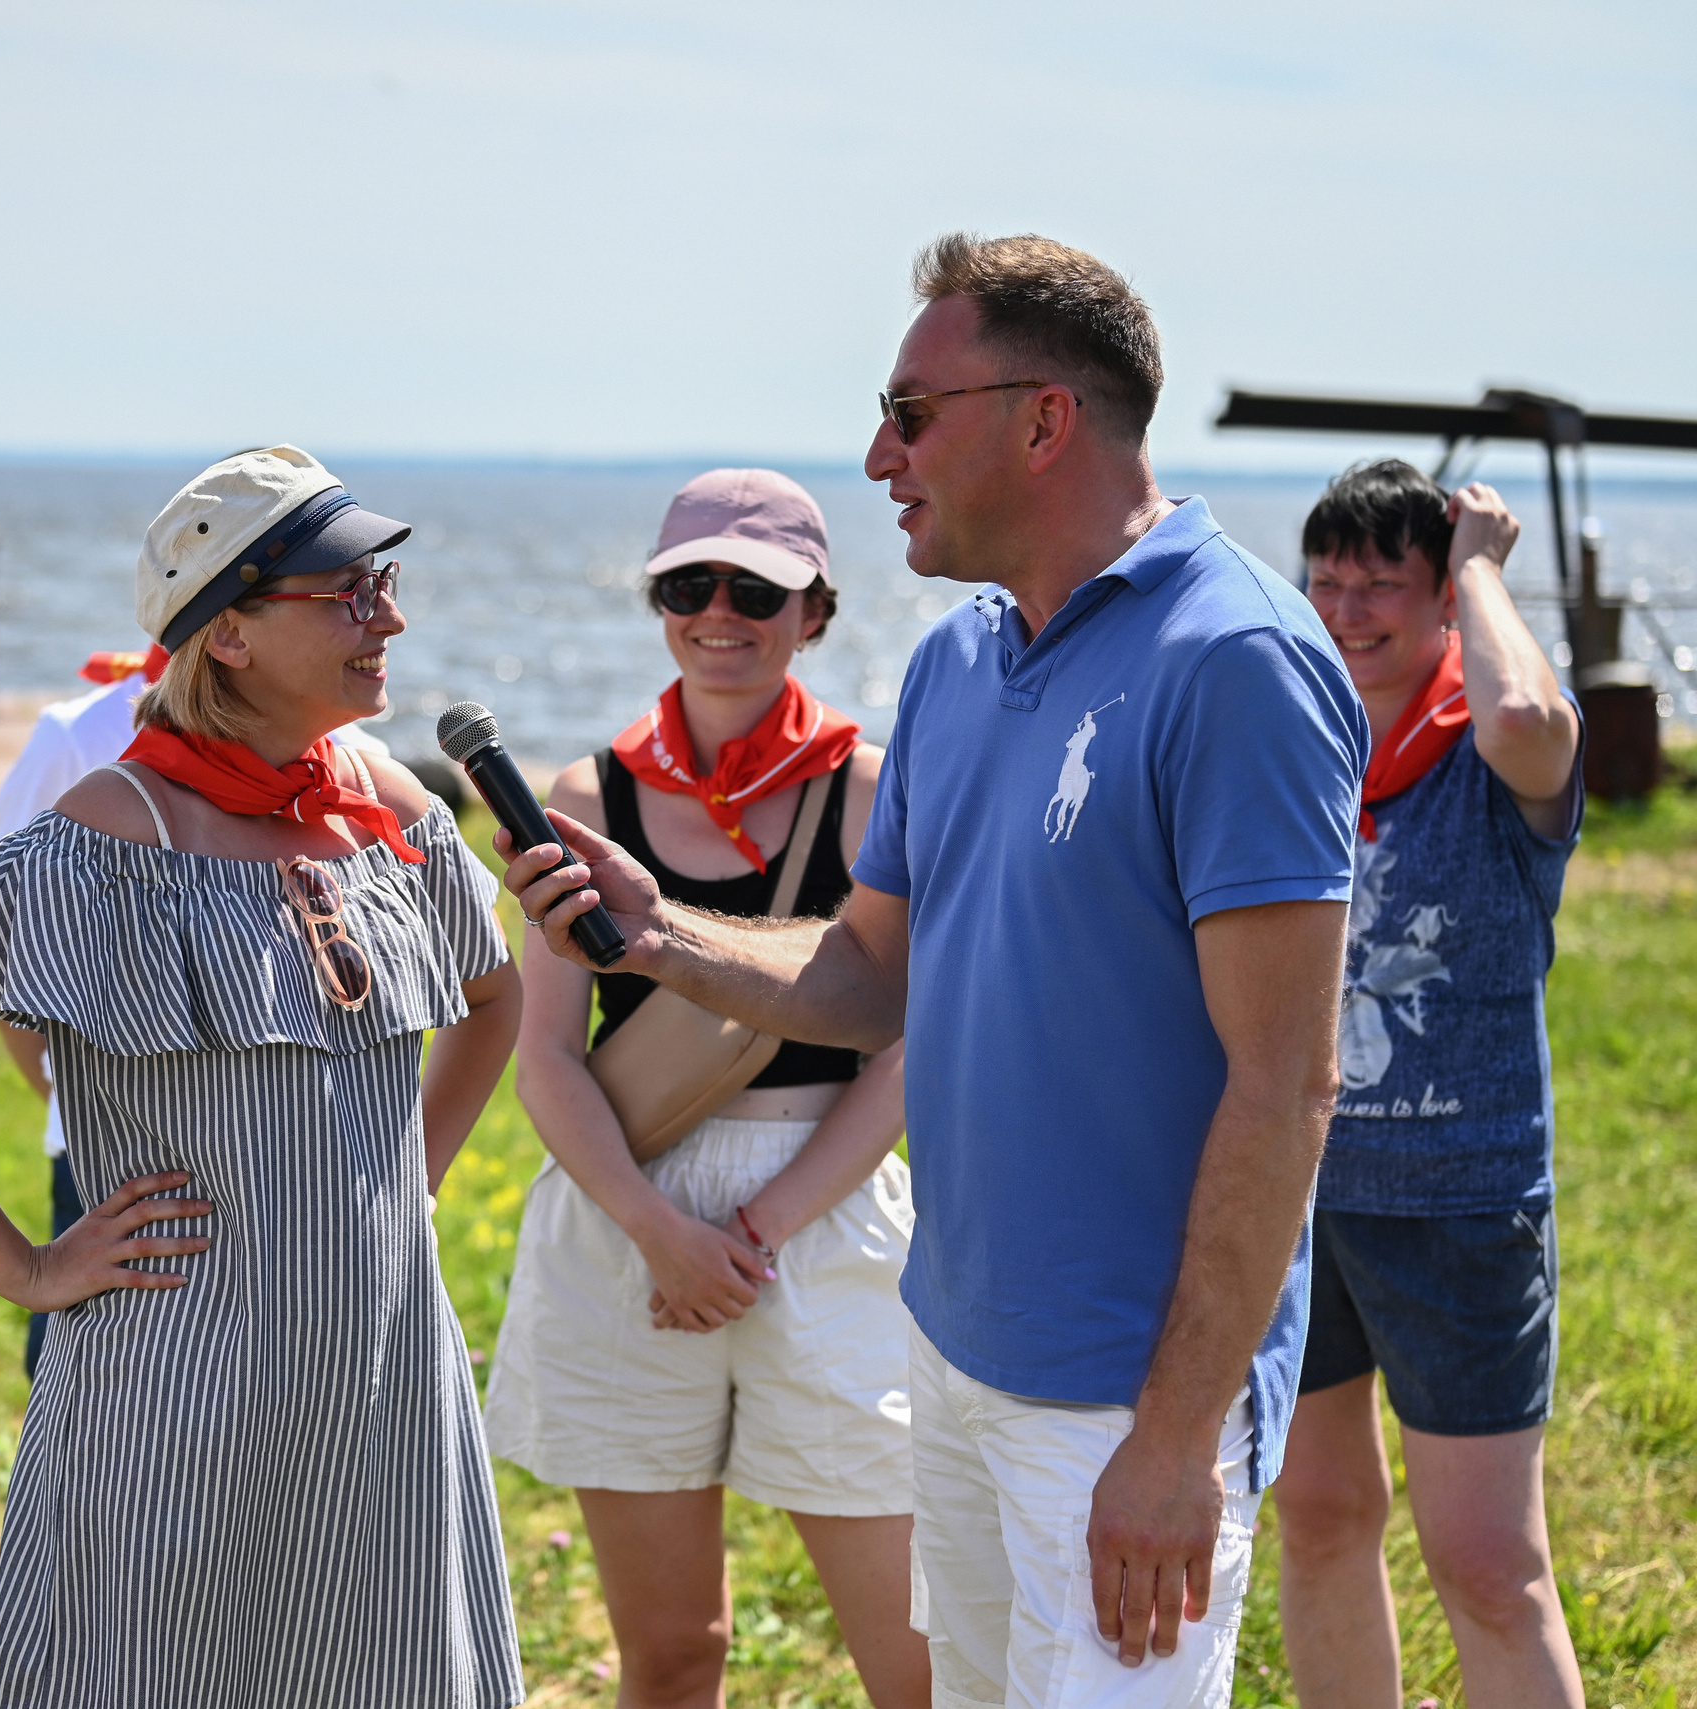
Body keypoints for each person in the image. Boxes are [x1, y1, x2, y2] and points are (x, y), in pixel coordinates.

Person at [500, 234, 1368, 1708]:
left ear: (1045, 422)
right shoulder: (960, 659)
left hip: (1118, 1401)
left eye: (912, 410)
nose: (878, 453)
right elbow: (866, 978)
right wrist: (660, 937)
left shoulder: (1236, 659)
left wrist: (1171, 1441)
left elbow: (1286, 1086)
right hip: (953, 1349)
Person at [0, 445, 526, 1706]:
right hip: (181, 1384)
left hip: (382, 1373)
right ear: (232, 631)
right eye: (349, 590)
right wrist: (26, 1270)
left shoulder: (393, 804)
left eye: (386, 581)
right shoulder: (106, 834)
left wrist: (403, 1182)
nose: (391, 617)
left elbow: (492, 990)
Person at [483, 467, 929, 1707]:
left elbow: (909, 1046)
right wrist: (660, 1231)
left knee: (915, 1662)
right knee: (673, 1655)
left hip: (821, 1212)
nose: (718, 611)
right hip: (627, 1212)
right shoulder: (584, 797)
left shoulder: (867, 790)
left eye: (756, 588)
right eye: (688, 584)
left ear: (816, 610)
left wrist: (750, 1231)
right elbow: (547, 1057)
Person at [1274, 460, 1586, 1709]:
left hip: (1460, 1206)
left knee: (1490, 1565)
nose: (1347, 609)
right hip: (1294, 1198)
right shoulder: (1296, 749)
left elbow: (1529, 725)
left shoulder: (1489, 746)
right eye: (1326, 581)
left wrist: (1478, 562)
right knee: (1322, 1514)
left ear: (1446, 602)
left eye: (1383, 584)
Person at [0, 642, 388, 1377]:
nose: (377, 617)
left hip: (302, 1179)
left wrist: (408, 1185)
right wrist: (72, 1105)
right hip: (125, 1174)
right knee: (112, 1421)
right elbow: (10, 965)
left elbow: (477, 985)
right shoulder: (79, 735)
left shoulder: (348, 751)